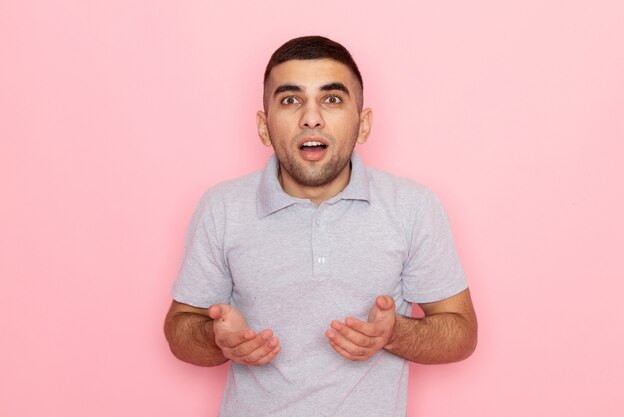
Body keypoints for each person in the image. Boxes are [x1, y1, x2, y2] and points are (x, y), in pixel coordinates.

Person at [164, 35, 477, 417]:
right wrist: (217, 340)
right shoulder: (221, 207)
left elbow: (461, 333)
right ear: (264, 128)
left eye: (332, 99)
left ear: (363, 125)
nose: (311, 117)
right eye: (290, 99)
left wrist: (396, 333)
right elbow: (180, 328)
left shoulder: (412, 206)